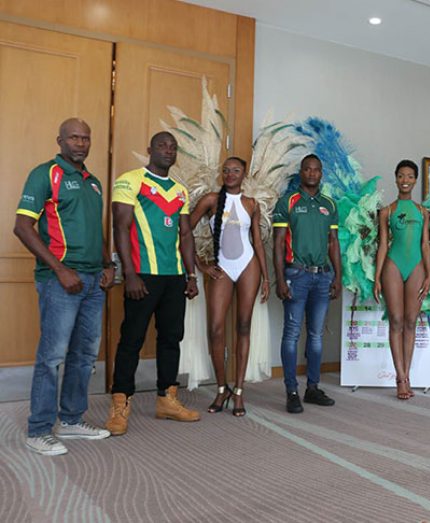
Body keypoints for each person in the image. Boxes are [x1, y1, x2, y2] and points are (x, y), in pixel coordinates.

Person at [14, 118, 114, 455]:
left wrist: (108, 265)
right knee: (52, 356)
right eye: (74, 137)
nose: (81, 143)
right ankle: (39, 430)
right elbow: (22, 226)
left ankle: (71, 420)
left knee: (84, 355)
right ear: (60, 140)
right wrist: (59, 269)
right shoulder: (45, 174)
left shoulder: (94, 182)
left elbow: (95, 231)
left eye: (86, 138)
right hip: (60, 281)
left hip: (93, 282)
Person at [105, 132, 200, 436]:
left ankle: (167, 400)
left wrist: (191, 274)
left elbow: (186, 235)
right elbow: (120, 227)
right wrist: (129, 274)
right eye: (162, 145)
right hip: (142, 276)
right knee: (131, 339)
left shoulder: (180, 190)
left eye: (173, 147)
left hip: (174, 278)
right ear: (150, 150)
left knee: (171, 338)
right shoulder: (130, 180)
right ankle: (120, 404)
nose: (168, 151)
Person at [189, 157, 270, 417]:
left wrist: (266, 278)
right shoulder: (211, 200)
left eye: (235, 170)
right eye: (226, 170)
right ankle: (221, 388)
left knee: (244, 326)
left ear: (244, 174)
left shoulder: (251, 204)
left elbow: (257, 243)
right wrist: (200, 264)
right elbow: (184, 229)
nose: (230, 174)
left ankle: (238, 391)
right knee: (215, 328)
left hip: (249, 266)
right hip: (222, 267)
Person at [273, 154, 342, 413]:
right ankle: (291, 391)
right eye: (307, 169)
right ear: (301, 173)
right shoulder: (287, 202)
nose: (312, 173)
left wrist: (338, 276)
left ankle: (312, 388)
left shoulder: (329, 204)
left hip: (323, 276)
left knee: (315, 336)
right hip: (297, 275)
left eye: (316, 170)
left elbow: (334, 242)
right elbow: (279, 243)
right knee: (291, 335)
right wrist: (280, 279)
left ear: (321, 174)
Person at [373, 160, 430, 399]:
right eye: (401, 176)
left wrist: (429, 274)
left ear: (415, 180)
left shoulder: (422, 212)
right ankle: (400, 378)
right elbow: (383, 245)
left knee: (410, 321)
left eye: (410, 176)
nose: (405, 180)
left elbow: (425, 244)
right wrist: (377, 278)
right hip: (393, 266)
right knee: (396, 320)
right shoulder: (387, 211)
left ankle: (407, 374)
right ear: (395, 178)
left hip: (416, 265)